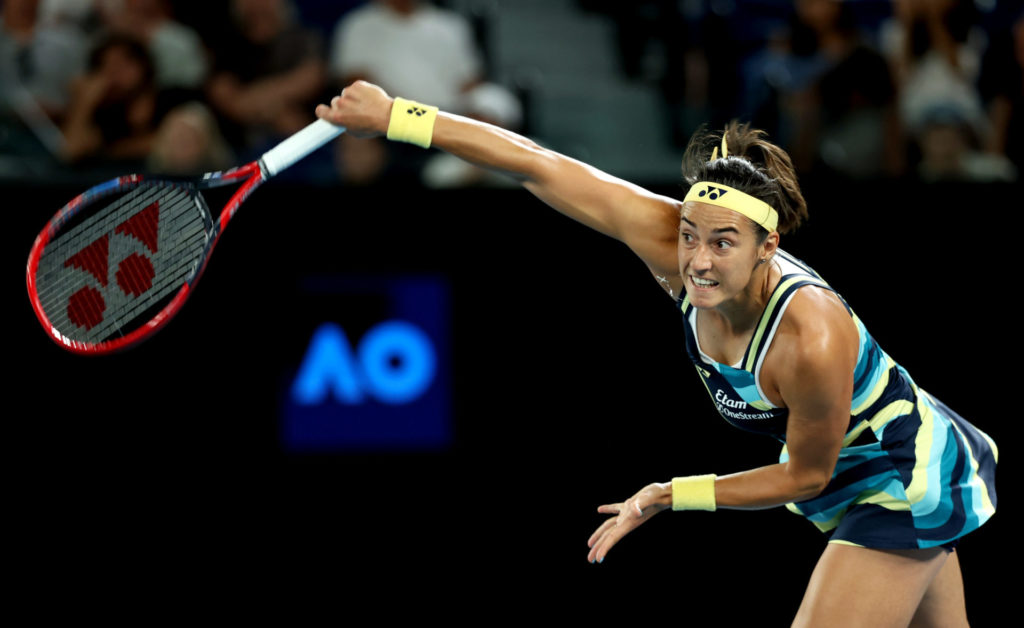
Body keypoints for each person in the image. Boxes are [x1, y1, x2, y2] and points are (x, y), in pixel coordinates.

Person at [314, 80, 998, 626]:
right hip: (847, 474)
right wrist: (399, 116)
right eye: (690, 235)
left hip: (898, 478)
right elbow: (535, 162)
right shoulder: (668, 240)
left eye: (722, 243)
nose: (697, 261)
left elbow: (805, 477)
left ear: (768, 248)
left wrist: (671, 495)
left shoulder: (809, 338)